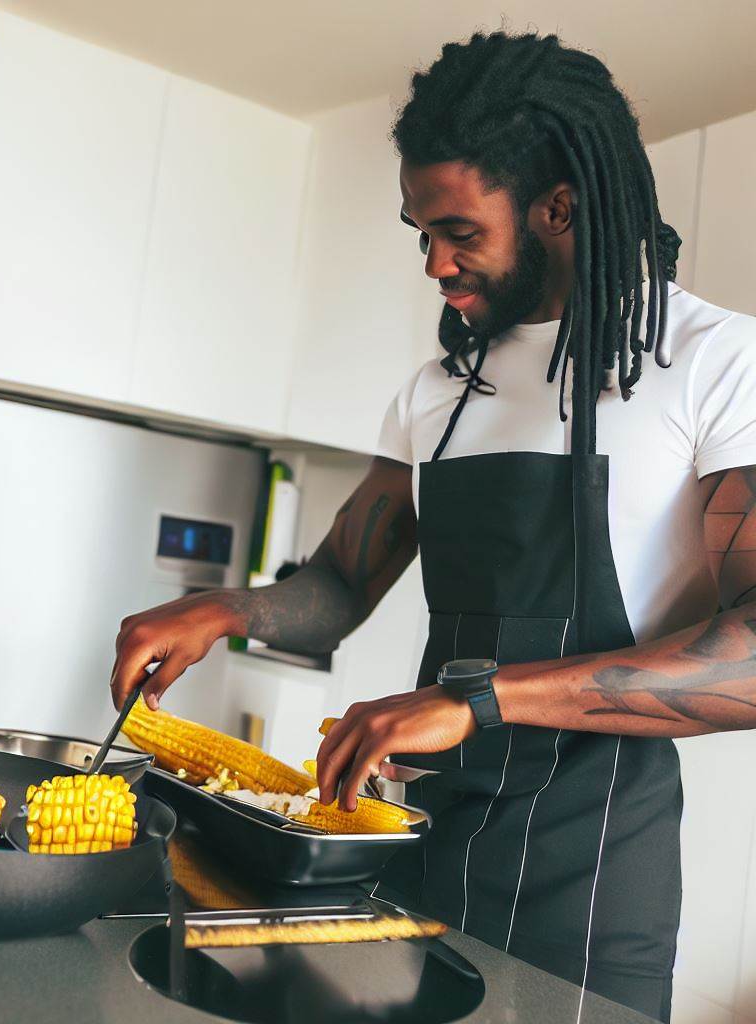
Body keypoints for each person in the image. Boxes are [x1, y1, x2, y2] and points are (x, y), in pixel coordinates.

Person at [110, 31, 756, 1022]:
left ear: (559, 208)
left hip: (588, 876)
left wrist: (481, 702)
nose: (434, 263)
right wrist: (219, 609)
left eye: (458, 231)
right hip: (414, 836)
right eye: (419, 233)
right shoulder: (439, 391)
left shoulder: (714, 363)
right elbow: (332, 591)